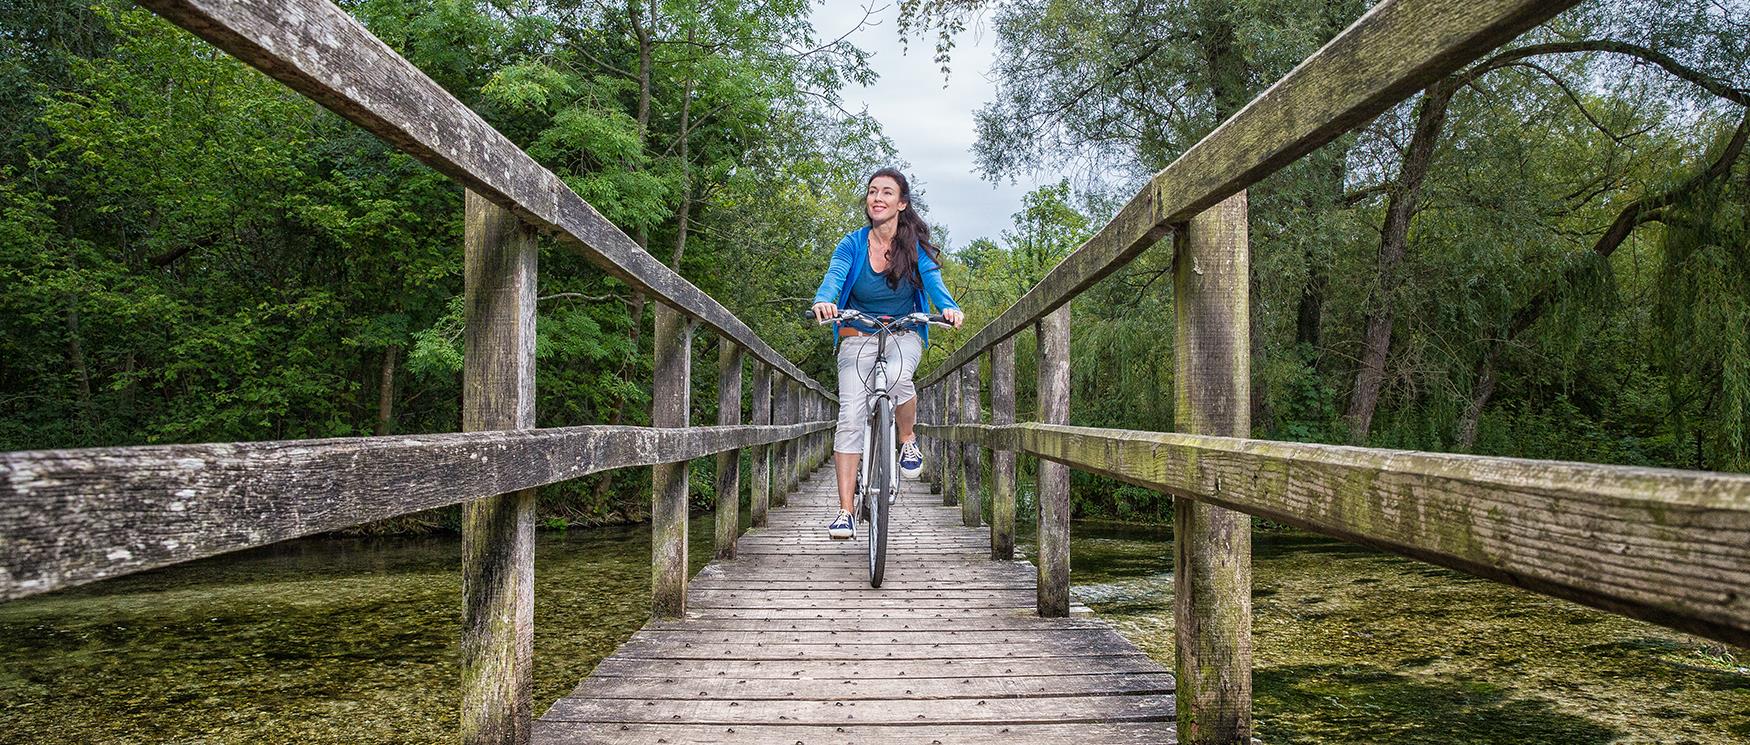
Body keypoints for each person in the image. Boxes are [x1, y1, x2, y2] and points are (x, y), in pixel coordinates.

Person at [810, 167, 965, 540]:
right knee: (850, 416)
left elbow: (933, 282)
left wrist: (947, 307)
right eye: (872, 192)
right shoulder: (851, 243)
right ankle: (846, 511)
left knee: (899, 378)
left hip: (903, 331)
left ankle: (907, 440)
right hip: (856, 332)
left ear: (902, 203)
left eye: (886, 193)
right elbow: (834, 277)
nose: (877, 198)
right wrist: (824, 301)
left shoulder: (913, 247)